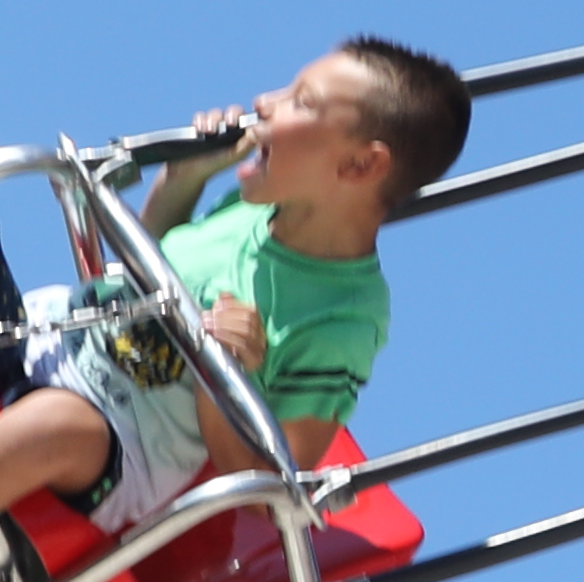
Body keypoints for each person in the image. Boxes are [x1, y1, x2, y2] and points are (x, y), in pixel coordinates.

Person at [0, 39, 471, 550]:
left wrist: (220, 373)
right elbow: (145, 263)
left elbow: (265, 492)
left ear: (359, 165)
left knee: (53, 426)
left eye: (301, 101)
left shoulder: (341, 320)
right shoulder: (255, 209)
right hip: (37, 340)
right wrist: (185, 177)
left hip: (117, 439)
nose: (265, 101)